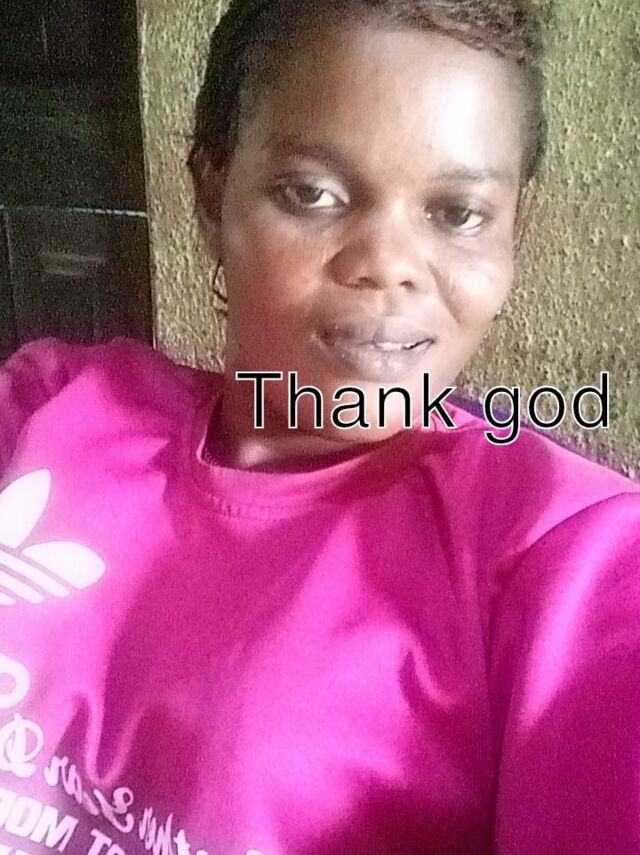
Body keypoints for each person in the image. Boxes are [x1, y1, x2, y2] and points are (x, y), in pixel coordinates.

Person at [0, 1, 638, 853]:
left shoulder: (563, 554)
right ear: (212, 194)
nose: (388, 264)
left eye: (457, 213)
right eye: (313, 194)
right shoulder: (50, 406)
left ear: (512, 230)